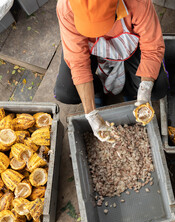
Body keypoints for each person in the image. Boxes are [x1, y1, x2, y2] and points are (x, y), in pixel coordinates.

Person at [55, 0, 168, 141]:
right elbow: (78, 62)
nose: (100, 33)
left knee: (158, 88)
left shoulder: (138, 3)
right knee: (65, 92)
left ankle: (131, 90)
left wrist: (144, 89)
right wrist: (90, 114)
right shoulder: (66, 7)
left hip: (129, 44)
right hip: (90, 48)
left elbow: (152, 48)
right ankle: (97, 91)